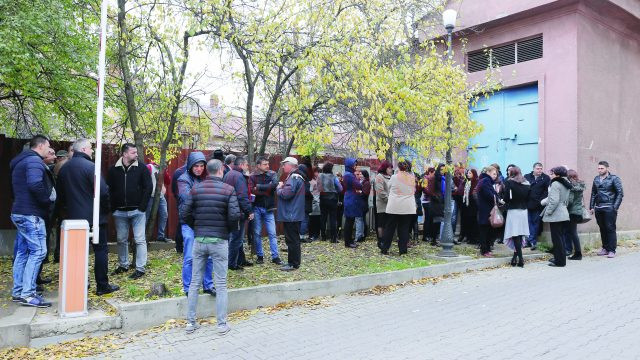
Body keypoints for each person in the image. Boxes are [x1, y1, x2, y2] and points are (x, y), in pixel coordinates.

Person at [181, 159, 240, 335]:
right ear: (221, 170)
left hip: (200, 240)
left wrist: (197, 227)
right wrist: (226, 231)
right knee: (221, 283)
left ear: (207, 170)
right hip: (219, 241)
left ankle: (190, 323)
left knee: (194, 282)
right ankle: (221, 325)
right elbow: (234, 216)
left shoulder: (196, 189)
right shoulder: (228, 190)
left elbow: (184, 213)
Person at [57, 139, 120, 295]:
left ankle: (79, 286)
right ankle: (102, 286)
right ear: (84, 149)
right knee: (100, 251)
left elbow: (60, 195)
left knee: (77, 254)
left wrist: (67, 211)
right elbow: (104, 192)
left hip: (73, 219)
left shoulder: (64, 169)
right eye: (91, 148)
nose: (92, 151)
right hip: (94, 218)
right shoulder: (91, 167)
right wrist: (104, 211)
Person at [10, 135, 54, 307]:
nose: (49, 149)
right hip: (31, 214)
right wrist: (46, 201)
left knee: (23, 252)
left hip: (19, 212)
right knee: (39, 252)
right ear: (41, 145)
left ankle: (18, 291)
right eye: (48, 146)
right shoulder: (35, 162)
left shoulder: (20, 162)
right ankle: (28, 294)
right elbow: (35, 184)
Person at [107, 143, 152, 279]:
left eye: (136, 152)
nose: (136, 154)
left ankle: (140, 268)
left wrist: (142, 207)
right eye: (133, 152)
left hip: (137, 211)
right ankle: (123, 265)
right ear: (125, 154)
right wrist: (112, 207)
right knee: (121, 239)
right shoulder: (113, 170)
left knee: (139, 239)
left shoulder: (142, 168)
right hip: (119, 212)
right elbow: (108, 189)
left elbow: (148, 187)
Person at [177, 152, 215, 295]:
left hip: (203, 222)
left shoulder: (205, 179)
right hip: (188, 223)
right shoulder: (183, 179)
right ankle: (188, 288)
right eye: (196, 166)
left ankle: (208, 285)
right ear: (190, 166)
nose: (199, 169)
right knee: (190, 257)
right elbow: (186, 197)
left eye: (201, 166)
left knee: (209, 256)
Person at [249, 156, 282, 265]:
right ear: (258, 166)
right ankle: (260, 256)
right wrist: (266, 189)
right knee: (257, 233)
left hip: (269, 208)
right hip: (256, 207)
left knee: (272, 233)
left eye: (268, 164)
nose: (267, 166)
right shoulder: (253, 176)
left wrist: (258, 187)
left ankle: (275, 257)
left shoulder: (272, 174)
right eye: (265, 164)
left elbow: (274, 186)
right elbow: (251, 190)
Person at [223, 156, 254, 270]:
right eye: (246, 165)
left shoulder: (228, 174)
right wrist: (249, 210)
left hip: (230, 210)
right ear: (241, 165)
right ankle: (232, 264)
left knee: (237, 238)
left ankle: (241, 260)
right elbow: (242, 196)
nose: (247, 167)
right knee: (237, 239)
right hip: (238, 212)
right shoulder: (239, 176)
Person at [380, 161, 416, 255]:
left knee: (389, 228)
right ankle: (403, 251)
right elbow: (414, 190)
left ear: (399, 168)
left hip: (394, 206)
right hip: (408, 207)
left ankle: (385, 248)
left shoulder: (394, 177)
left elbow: (388, 187)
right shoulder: (412, 178)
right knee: (404, 229)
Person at [276, 157, 305, 271]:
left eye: (284, 165)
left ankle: (293, 263)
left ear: (291, 165)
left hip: (291, 214)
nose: (283, 167)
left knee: (292, 240)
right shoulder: (297, 177)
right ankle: (294, 262)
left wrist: (279, 188)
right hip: (294, 213)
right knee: (293, 239)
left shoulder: (293, 177)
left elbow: (286, 194)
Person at [590, 161, 623, 258]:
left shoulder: (614, 178)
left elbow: (620, 193)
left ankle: (612, 250)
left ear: (607, 168)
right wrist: (591, 206)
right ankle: (605, 248)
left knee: (610, 228)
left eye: (602, 168)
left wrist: (615, 207)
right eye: (598, 168)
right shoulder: (596, 179)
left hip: (609, 207)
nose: (600, 170)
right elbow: (593, 193)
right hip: (598, 207)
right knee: (602, 228)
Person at [541, 166, 572, 267]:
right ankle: (559, 259)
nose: (551, 175)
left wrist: (548, 212)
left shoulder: (555, 183)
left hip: (556, 214)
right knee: (560, 238)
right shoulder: (566, 183)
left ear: (557, 175)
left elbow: (554, 201)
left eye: (552, 173)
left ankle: (560, 261)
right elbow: (567, 200)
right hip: (563, 212)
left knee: (557, 239)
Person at [502, 166, 530, 268]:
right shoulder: (527, 183)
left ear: (512, 173)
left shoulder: (509, 182)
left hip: (513, 210)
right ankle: (514, 258)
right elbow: (528, 198)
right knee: (520, 234)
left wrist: (502, 201)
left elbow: (506, 198)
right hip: (523, 211)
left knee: (515, 234)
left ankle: (521, 258)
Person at [476, 166, 501, 257]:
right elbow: (489, 195)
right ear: (488, 172)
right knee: (484, 231)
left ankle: (486, 249)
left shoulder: (486, 181)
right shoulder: (486, 180)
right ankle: (484, 250)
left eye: (496, 174)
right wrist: (497, 198)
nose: (495, 176)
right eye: (494, 174)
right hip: (486, 210)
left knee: (487, 230)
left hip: (486, 210)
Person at [524, 162, 550, 250]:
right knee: (528, 223)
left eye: (541, 169)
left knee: (535, 223)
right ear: (533, 169)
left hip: (538, 205)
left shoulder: (546, 178)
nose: (539, 170)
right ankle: (529, 240)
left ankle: (532, 241)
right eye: (538, 169)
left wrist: (541, 201)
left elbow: (547, 192)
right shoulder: (527, 176)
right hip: (527, 204)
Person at [318, 162, 343, 243]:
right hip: (332, 199)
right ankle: (333, 238)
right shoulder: (334, 177)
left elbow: (317, 187)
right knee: (333, 218)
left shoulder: (320, 176)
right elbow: (340, 188)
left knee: (323, 218)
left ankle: (323, 237)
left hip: (322, 198)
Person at [145, 162, 170, 242]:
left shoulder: (162, 169)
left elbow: (168, 181)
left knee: (164, 214)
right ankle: (142, 237)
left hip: (160, 195)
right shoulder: (149, 167)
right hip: (150, 196)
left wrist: (164, 170)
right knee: (146, 216)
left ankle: (160, 236)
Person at [342, 158, 362, 248]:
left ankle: (349, 241)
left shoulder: (347, 174)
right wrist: (358, 181)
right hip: (351, 199)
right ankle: (348, 242)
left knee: (349, 221)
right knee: (349, 222)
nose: (355, 166)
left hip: (349, 197)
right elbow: (359, 185)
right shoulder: (349, 175)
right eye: (354, 165)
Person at [566, 169, 586, 260]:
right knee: (573, 232)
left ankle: (578, 254)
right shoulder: (580, 185)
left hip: (572, 212)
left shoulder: (572, 187)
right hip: (577, 211)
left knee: (573, 233)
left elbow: (570, 201)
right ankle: (576, 253)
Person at [424, 164, 445, 246]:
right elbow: (429, 189)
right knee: (435, 221)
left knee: (438, 221)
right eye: (441, 170)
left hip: (440, 201)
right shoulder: (434, 178)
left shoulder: (443, 178)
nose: (442, 171)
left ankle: (435, 238)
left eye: (444, 169)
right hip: (435, 202)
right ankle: (434, 239)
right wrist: (435, 196)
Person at [374, 161, 392, 245]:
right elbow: (380, 191)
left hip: (390, 205)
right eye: (389, 168)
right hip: (382, 204)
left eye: (391, 168)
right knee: (381, 223)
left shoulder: (391, 177)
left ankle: (386, 240)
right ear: (385, 168)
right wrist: (389, 200)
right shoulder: (379, 176)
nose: (391, 169)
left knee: (387, 224)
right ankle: (381, 240)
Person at [171, 160, 187, 253]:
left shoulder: (178, 171)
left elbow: (173, 188)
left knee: (181, 223)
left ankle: (179, 247)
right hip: (190, 200)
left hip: (180, 200)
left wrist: (177, 198)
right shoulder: (192, 172)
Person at [459, 169, 479, 244]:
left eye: (470, 173)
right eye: (467, 173)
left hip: (473, 205)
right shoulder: (465, 182)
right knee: (466, 221)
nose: (468, 174)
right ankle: (467, 236)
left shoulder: (476, 182)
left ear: (474, 174)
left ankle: (473, 238)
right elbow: (460, 191)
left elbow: (475, 193)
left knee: (473, 221)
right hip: (465, 204)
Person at [298, 164, 314, 243]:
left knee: (301, 219)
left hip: (299, 203)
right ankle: (302, 236)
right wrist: (311, 196)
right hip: (305, 202)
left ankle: (300, 236)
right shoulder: (304, 179)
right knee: (304, 220)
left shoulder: (297, 177)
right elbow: (306, 191)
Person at [355, 169, 371, 243]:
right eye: (359, 174)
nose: (360, 175)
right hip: (359, 203)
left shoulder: (366, 183)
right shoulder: (360, 182)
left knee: (360, 220)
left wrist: (359, 192)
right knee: (360, 220)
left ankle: (361, 236)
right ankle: (361, 235)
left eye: (361, 174)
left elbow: (365, 194)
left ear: (365, 175)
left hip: (363, 204)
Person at [308, 167, 322, 242]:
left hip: (319, 201)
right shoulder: (311, 181)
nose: (318, 174)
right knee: (312, 219)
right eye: (317, 172)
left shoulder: (319, 180)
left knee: (317, 219)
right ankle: (311, 235)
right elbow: (310, 191)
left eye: (319, 172)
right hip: (313, 201)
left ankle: (316, 234)